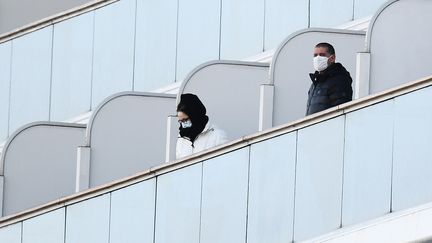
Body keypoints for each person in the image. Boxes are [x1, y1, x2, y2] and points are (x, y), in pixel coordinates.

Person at [306, 42, 353, 115]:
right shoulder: (315, 83)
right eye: (315, 55)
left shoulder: (339, 80)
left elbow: (340, 111)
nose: (317, 58)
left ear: (332, 58)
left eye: (322, 55)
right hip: (314, 126)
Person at [176, 93, 228, 159]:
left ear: (195, 116)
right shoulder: (181, 139)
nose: (183, 124)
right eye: (181, 121)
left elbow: (225, 162)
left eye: (185, 120)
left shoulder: (217, 136)